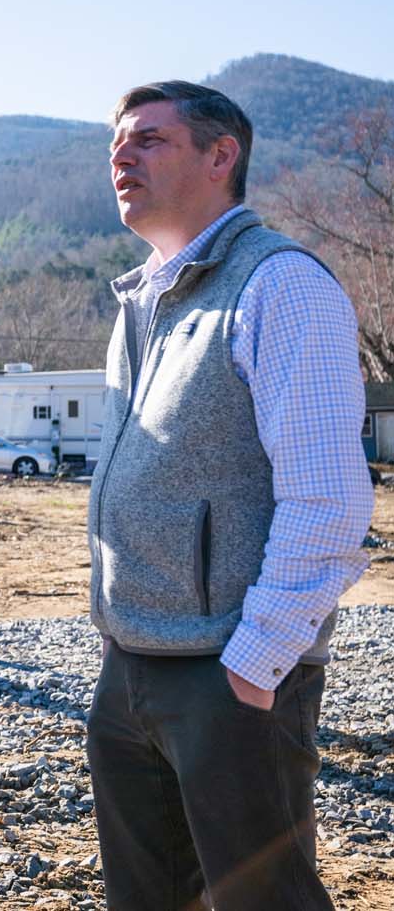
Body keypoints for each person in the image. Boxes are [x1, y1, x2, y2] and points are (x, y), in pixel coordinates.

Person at [87, 80, 374, 910]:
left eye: (149, 139)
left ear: (221, 156)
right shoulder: (140, 300)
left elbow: (328, 499)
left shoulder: (279, 284)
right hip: (130, 664)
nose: (122, 155)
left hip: (229, 675)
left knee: (264, 903)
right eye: (117, 143)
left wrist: (253, 667)